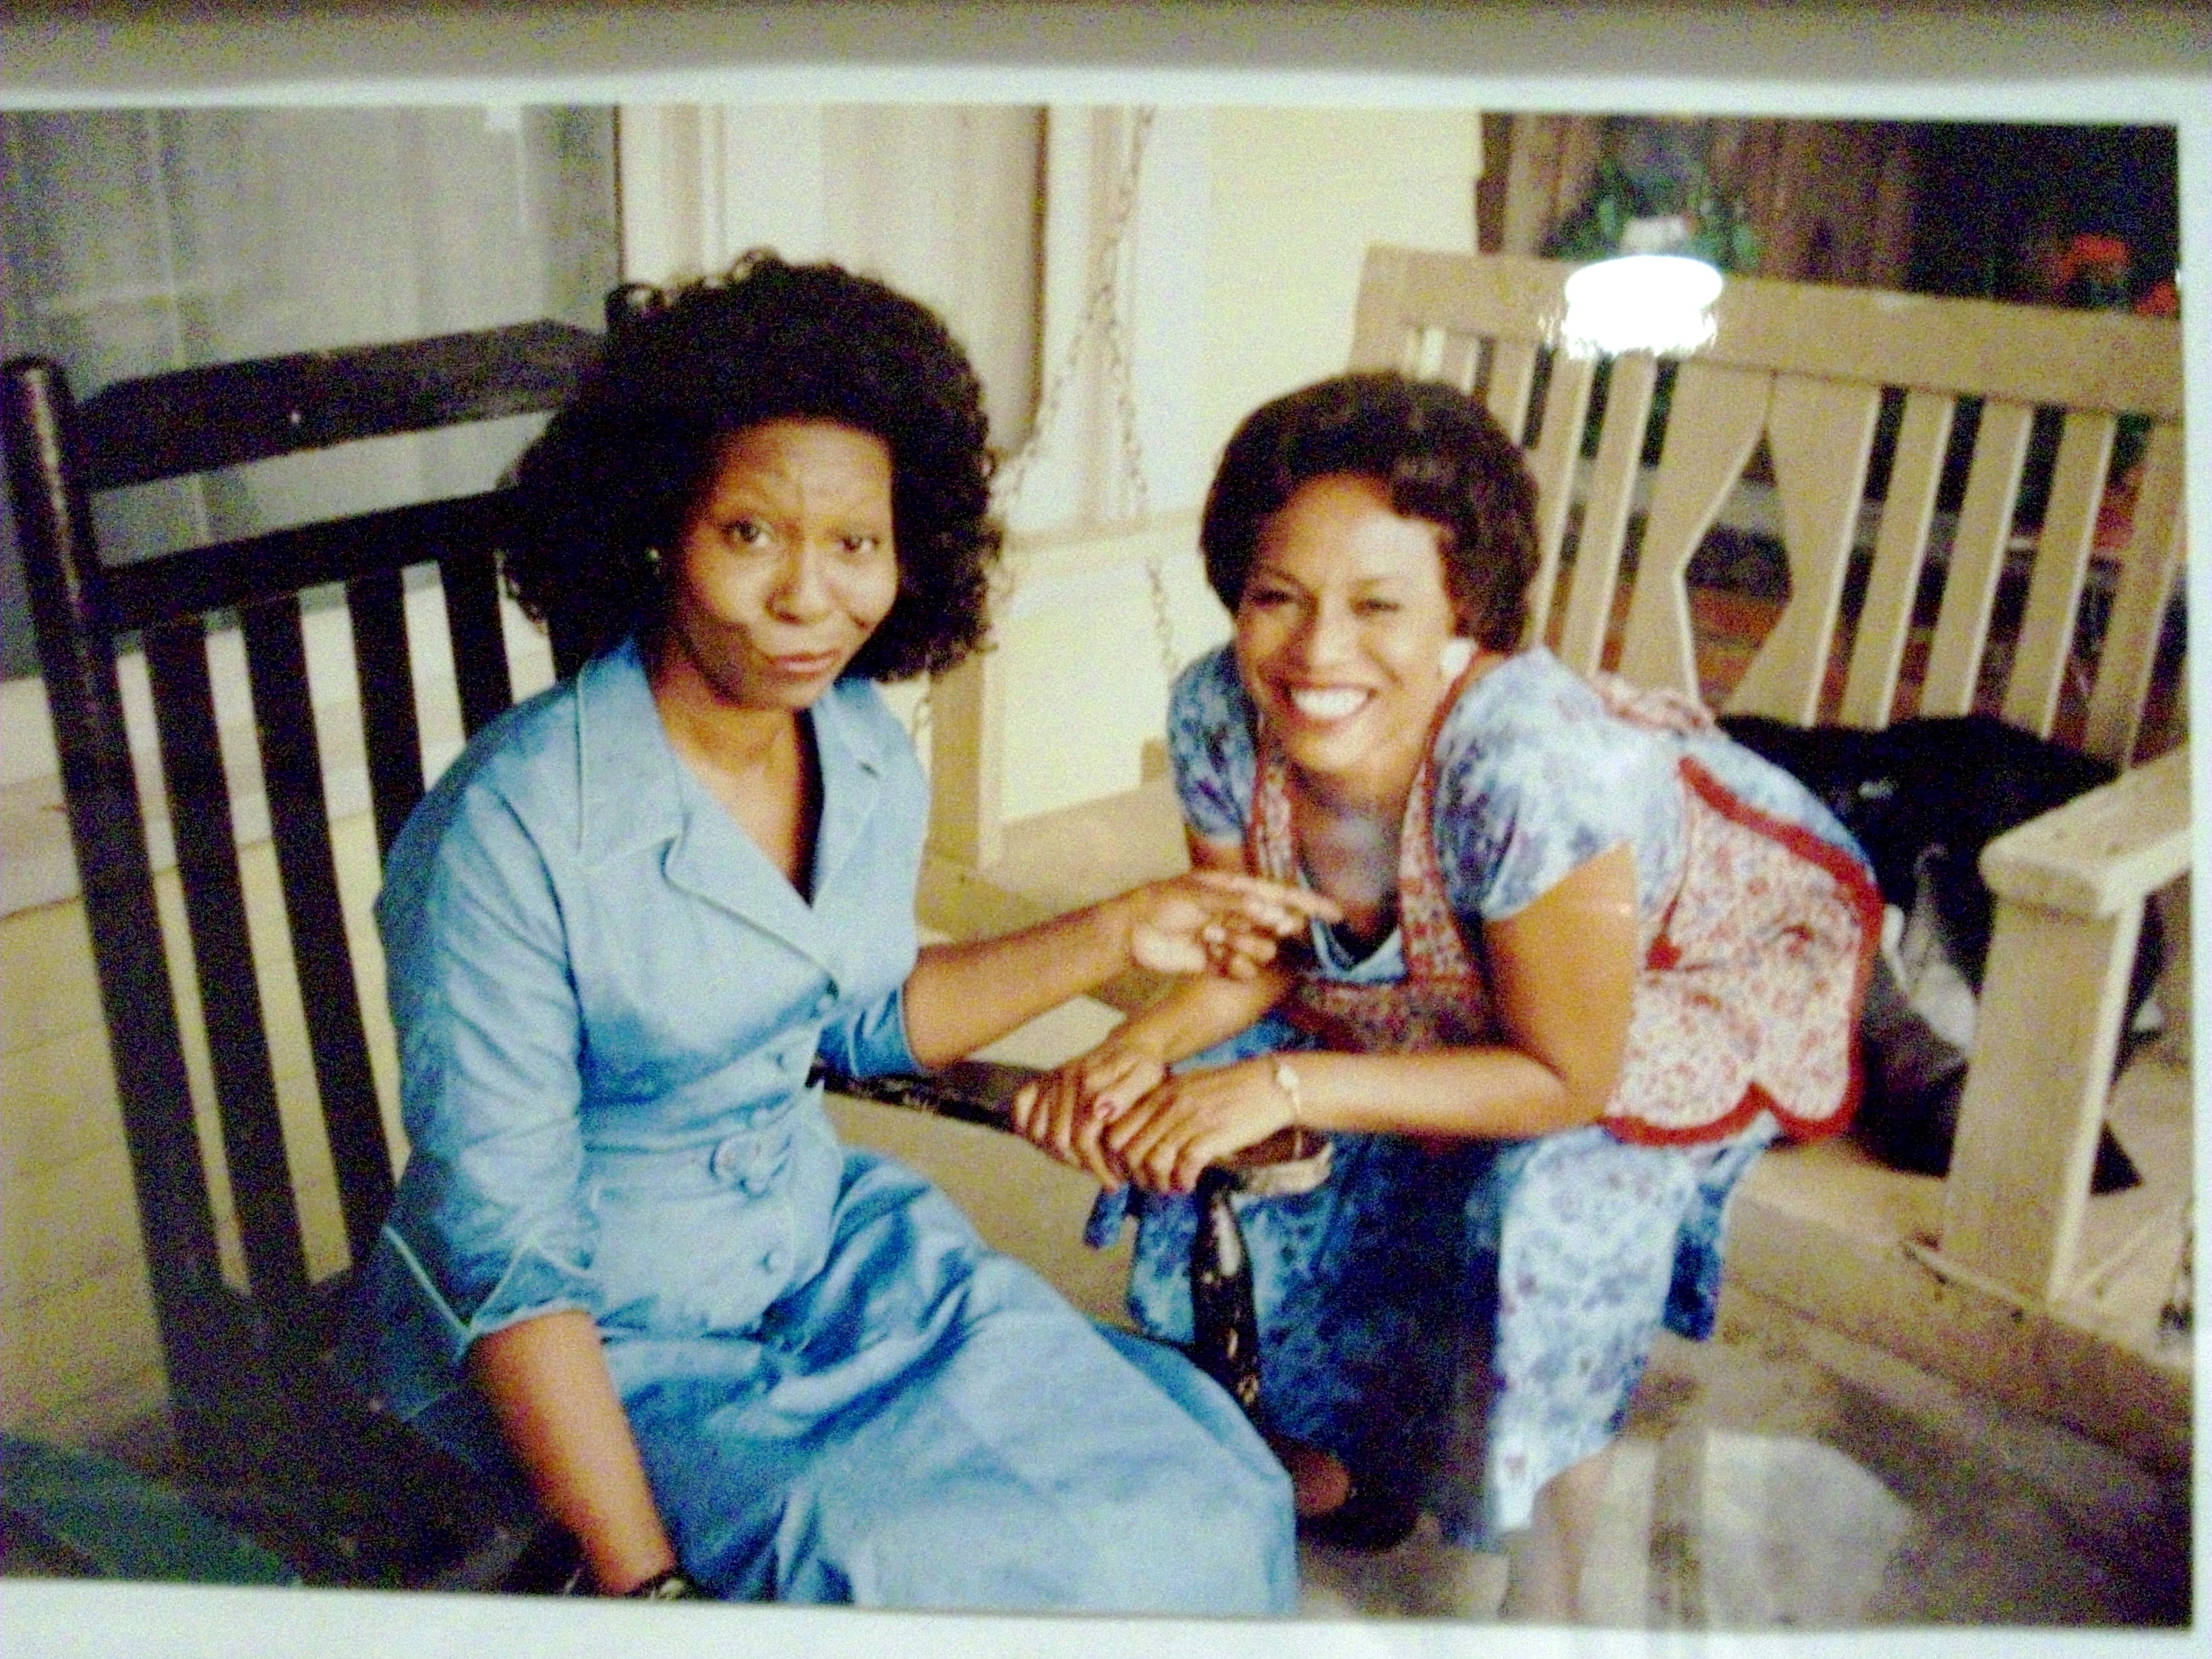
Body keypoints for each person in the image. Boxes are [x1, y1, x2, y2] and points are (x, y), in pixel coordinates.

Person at [337, 253, 1333, 1612]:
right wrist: (645, 1596)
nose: (810, 599)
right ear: (655, 527)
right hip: (597, 1341)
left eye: (853, 543)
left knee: (1189, 1494)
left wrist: (1122, 927)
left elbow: (854, 1017)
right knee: (936, 1583)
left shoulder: (856, 746)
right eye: (750, 534)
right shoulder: (506, 836)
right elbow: (505, 1257)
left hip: (823, 1249)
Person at [1011, 371, 1880, 1621]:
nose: (1317, 652)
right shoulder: (1219, 710)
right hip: (1460, 968)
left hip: (1683, 967)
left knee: (1548, 1189)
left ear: (1462, 616)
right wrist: (1141, 1045)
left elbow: (1562, 1072)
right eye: (1277, 599)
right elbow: (1259, 952)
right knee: (1210, 1106)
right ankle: (1345, 1449)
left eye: (1379, 607)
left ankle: (1552, 1567)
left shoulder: (1530, 764)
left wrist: (1286, 1078)